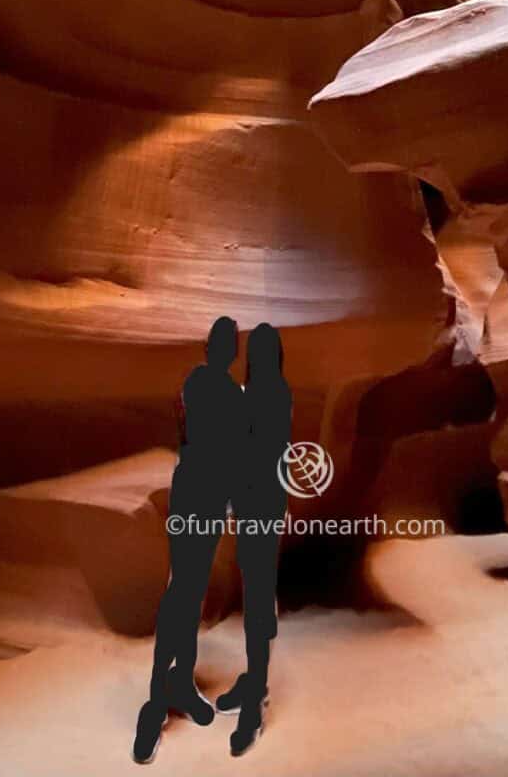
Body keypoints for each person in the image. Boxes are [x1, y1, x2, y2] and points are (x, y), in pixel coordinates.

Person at [133, 315, 245, 764]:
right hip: (195, 493)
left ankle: (181, 683)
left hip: (212, 496)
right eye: (219, 345)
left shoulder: (222, 390)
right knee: (181, 590)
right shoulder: (200, 386)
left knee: (193, 592)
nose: (224, 352)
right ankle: (156, 697)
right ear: (210, 350)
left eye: (228, 346)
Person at [217, 322, 292, 756]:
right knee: (256, 596)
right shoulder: (269, 393)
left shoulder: (268, 396)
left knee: (258, 602)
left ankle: (255, 702)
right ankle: (252, 679)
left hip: (259, 508)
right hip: (257, 508)